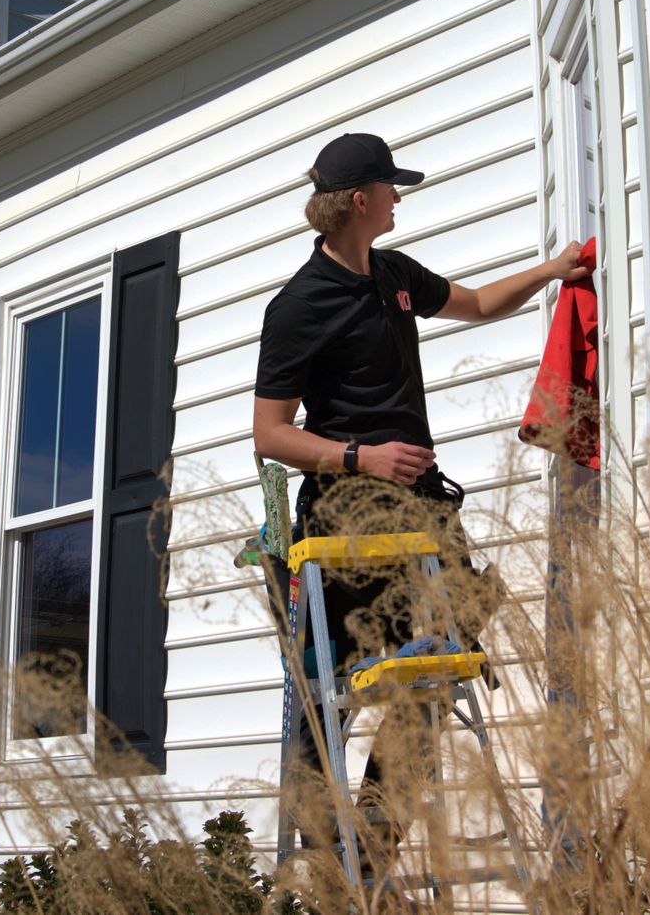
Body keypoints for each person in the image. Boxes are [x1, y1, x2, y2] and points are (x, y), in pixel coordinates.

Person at [252, 130, 585, 879]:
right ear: (360, 200)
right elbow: (269, 433)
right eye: (391, 188)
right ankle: (325, 859)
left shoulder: (393, 273)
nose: (400, 197)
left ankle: (370, 843)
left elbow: (472, 304)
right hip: (349, 518)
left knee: (444, 656)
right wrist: (358, 456)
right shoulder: (299, 306)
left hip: (423, 512)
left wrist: (555, 270)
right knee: (335, 687)